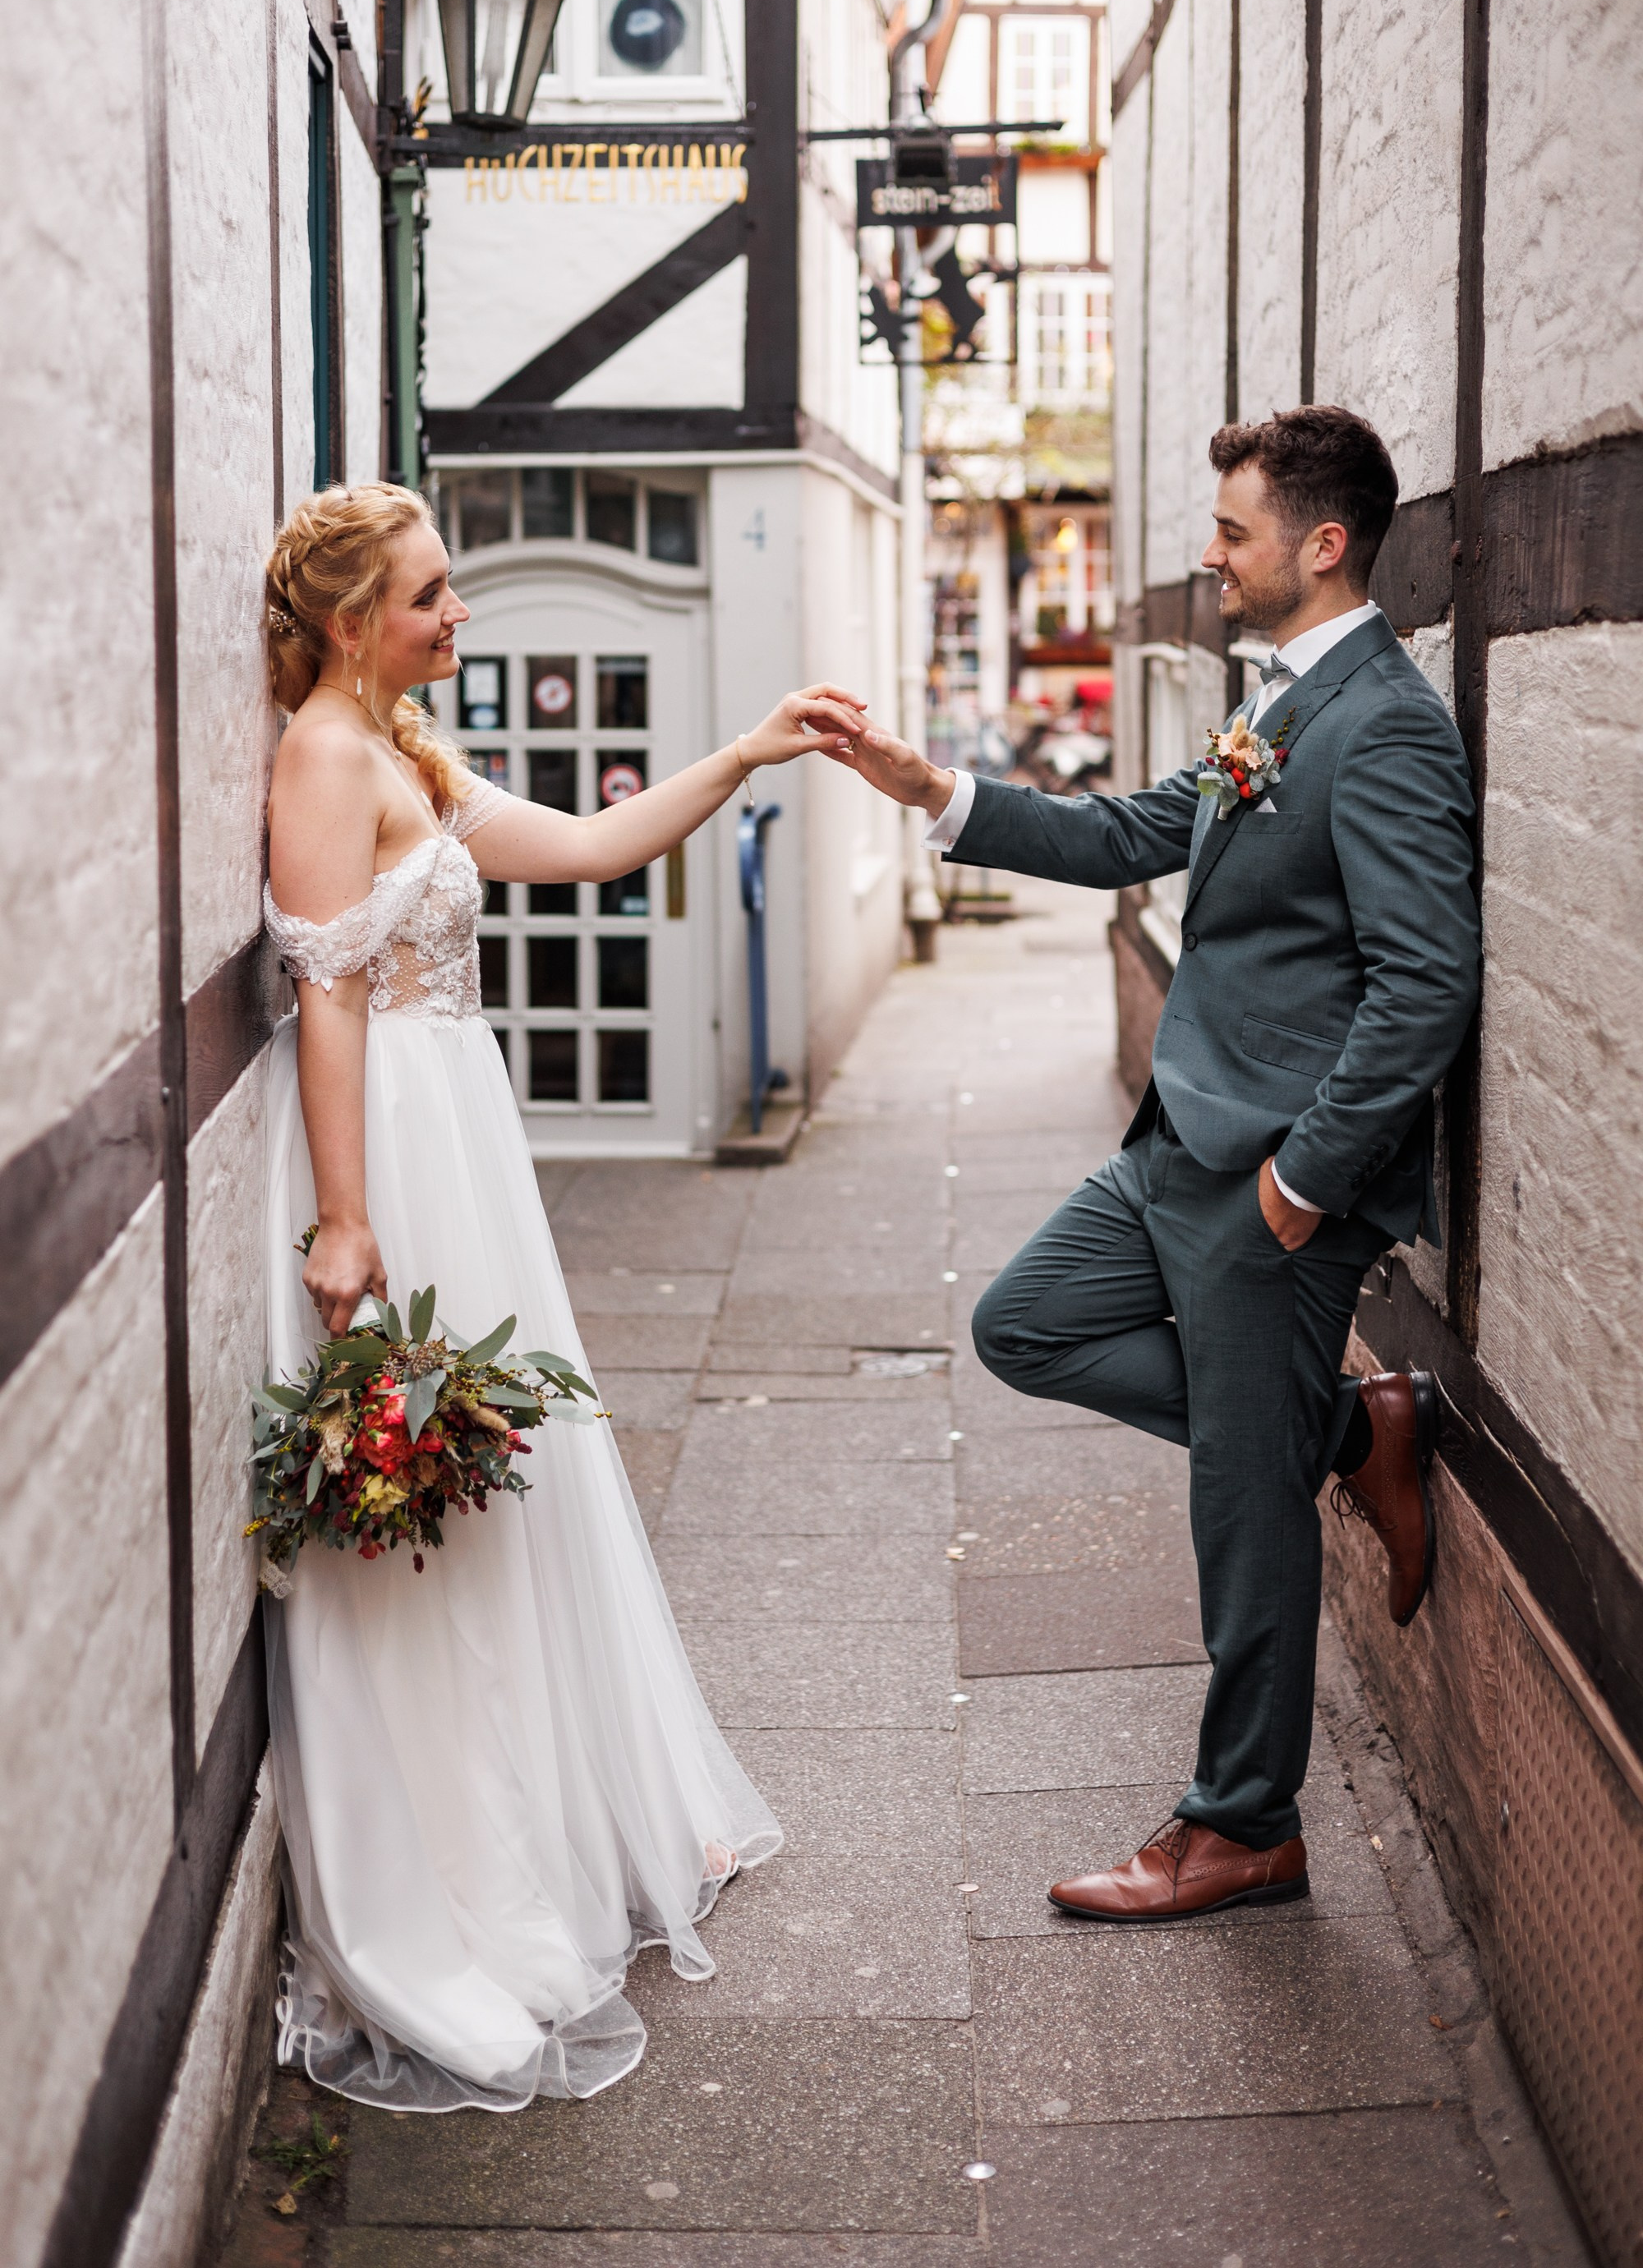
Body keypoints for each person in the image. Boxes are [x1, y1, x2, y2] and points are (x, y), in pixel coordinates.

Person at [260, 481, 865, 2109]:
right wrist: (340, 1217)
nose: (461, 618)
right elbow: (325, 993)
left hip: (459, 1131)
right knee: (425, 1481)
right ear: (349, 620)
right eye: (433, 596)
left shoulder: (404, 752)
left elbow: (593, 847)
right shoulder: (325, 757)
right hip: (389, 1139)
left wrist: (745, 752)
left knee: (511, 1473)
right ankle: (445, 1867)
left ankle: (546, 1811)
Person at [833, 407, 1480, 1921]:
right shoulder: (1286, 705)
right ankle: (1343, 1435)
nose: (1210, 552)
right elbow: (1140, 830)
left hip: (1272, 1189)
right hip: (1177, 1145)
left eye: (1235, 530)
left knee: (1238, 1525)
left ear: (1323, 546)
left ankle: (1240, 1824)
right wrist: (932, 791)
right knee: (1024, 1324)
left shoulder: (1382, 726)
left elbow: (1425, 985)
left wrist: (1305, 1184)